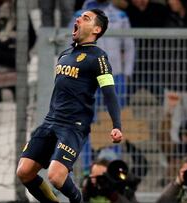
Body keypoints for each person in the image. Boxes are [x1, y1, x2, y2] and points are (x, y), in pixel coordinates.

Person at [16, 9, 123, 203]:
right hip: (50, 121)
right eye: (80, 16)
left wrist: (116, 125)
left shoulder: (99, 58)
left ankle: (77, 200)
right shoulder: (65, 55)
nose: (79, 19)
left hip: (73, 126)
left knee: (56, 177)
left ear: (96, 29)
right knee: (24, 172)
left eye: (86, 18)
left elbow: (109, 93)